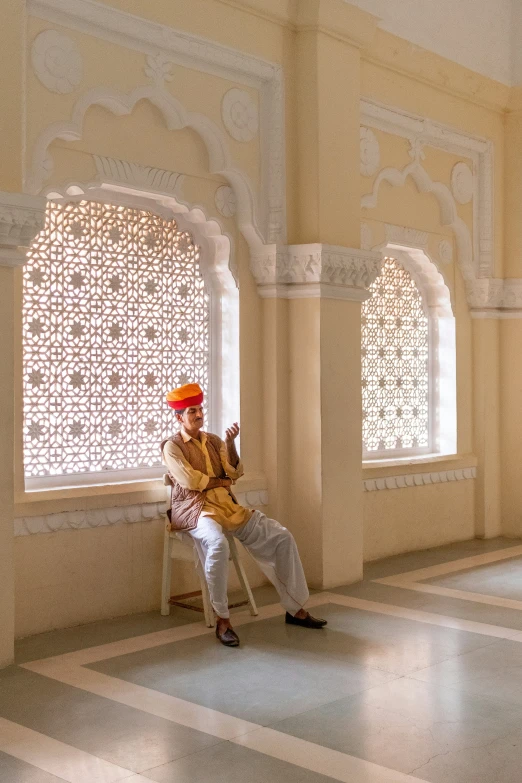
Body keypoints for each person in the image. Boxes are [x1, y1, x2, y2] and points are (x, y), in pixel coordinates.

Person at [161, 383, 327, 647]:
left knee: (282, 537)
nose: (198, 414)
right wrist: (221, 482)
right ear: (179, 417)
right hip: (195, 511)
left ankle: (295, 609)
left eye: (200, 409)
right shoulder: (172, 447)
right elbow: (191, 481)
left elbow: (235, 473)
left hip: (228, 508)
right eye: (192, 411)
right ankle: (223, 620)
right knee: (217, 544)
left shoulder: (215, 441)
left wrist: (230, 444)